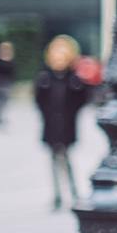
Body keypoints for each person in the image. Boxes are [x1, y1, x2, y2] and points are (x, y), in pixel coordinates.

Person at [34, 35, 90, 210]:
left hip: (67, 126)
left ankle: (73, 192)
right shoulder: (45, 78)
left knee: (66, 158)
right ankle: (57, 194)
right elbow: (39, 101)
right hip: (51, 126)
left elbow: (82, 99)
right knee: (53, 158)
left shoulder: (74, 79)